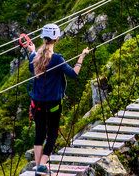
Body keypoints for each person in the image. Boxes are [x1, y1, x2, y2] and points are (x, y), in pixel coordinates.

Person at [19, 23, 88, 174]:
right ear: (56, 39)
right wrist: (81, 57)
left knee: (39, 134)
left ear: (43, 38)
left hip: (36, 103)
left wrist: (32, 50)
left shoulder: (35, 57)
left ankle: (39, 168)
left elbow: (34, 61)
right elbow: (74, 74)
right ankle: (43, 165)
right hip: (53, 103)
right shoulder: (57, 59)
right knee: (52, 133)